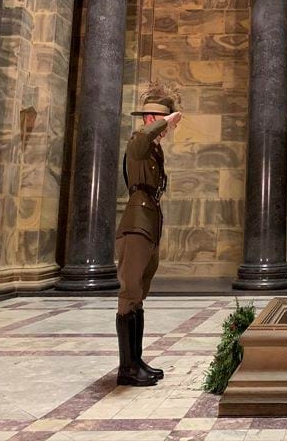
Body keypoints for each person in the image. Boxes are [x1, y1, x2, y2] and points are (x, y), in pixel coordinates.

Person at [115, 82, 183, 387]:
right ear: (148, 120)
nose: (164, 129)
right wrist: (165, 121)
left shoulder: (152, 148)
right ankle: (127, 368)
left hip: (150, 221)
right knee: (129, 293)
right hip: (137, 224)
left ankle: (136, 360)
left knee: (139, 294)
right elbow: (142, 138)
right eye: (159, 121)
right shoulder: (138, 142)